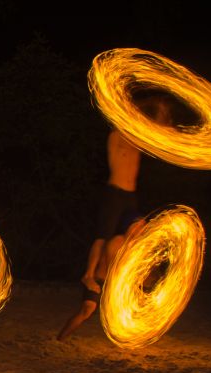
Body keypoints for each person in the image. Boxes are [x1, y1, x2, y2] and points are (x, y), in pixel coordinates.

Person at [56, 94, 173, 341]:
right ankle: (87, 274)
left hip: (130, 196)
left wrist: (160, 112)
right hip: (114, 194)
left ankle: (62, 335)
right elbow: (126, 119)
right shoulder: (116, 138)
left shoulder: (138, 141)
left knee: (140, 229)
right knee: (103, 237)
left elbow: (155, 132)